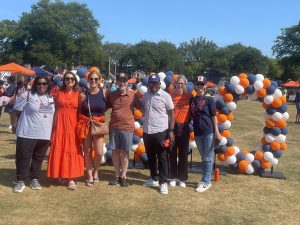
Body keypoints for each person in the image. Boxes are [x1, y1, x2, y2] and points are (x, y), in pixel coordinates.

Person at [11, 76, 55, 193]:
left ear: (48, 85)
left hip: (44, 134)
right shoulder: (27, 95)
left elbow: (52, 115)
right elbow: (15, 112)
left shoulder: (50, 97)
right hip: (27, 133)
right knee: (23, 158)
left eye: (44, 84)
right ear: (35, 84)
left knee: (38, 158)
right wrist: (14, 127)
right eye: (39, 84)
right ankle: (20, 180)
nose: (42, 86)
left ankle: (34, 178)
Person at [47, 71, 84, 190]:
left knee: (71, 148)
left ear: (75, 81)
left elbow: (81, 111)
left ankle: (71, 178)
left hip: (72, 124)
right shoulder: (57, 92)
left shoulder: (78, 94)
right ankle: (62, 174)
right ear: (64, 80)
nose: (69, 81)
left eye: (72, 79)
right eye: (67, 79)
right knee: (61, 148)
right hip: (59, 124)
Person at [106, 73, 141, 187]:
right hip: (114, 127)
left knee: (125, 153)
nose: (122, 83)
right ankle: (117, 176)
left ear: (127, 83)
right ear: (116, 82)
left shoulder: (133, 95)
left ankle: (123, 176)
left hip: (127, 127)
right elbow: (105, 107)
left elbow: (142, 107)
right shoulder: (111, 95)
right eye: (120, 81)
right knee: (115, 152)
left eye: (124, 81)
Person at [142, 74, 175, 195]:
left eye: (156, 83)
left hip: (161, 131)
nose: (153, 85)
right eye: (151, 83)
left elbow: (171, 114)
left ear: (159, 84)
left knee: (162, 157)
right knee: (150, 157)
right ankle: (154, 178)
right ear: (148, 84)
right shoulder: (145, 96)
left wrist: (171, 131)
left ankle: (163, 182)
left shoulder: (166, 96)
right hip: (147, 131)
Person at [190, 75, 222, 192]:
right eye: (197, 84)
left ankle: (205, 181)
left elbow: (213, 116)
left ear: (205, 86)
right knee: (204, 157)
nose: (199, 86)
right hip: (197, 132)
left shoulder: (209, 99)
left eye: (201, 84)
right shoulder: (192, 100)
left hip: (208, 131)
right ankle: (206, 180)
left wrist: (217, 132)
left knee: (208, 158)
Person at [77, 71, 107, 186]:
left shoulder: (104, 92)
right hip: (86, 125)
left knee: (99, 152)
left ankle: (96, 170)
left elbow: (107, 106)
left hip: (98, 125)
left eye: (96, 79)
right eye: (91, 79)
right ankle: (89, 175)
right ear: (88, 80)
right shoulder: (84, 95)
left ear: (99, 80)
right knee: (88, 151)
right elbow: (79, 109)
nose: (93, 81)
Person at [169, 75, 192, 188]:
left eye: (182, 83)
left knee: (183, 154)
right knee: (172, 153)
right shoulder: (170, 96)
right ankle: (173, 177)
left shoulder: (189, 96)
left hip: (185, 127)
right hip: (173, 127)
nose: (180, 85)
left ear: (185, 85)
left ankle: (182, 178)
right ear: (175, 84)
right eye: (178, 83)